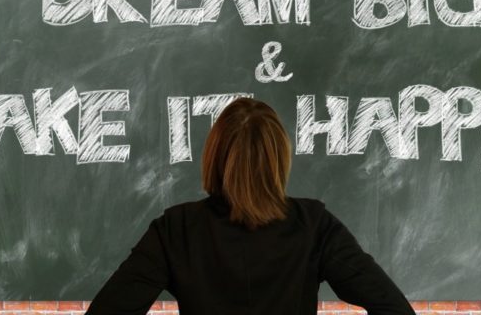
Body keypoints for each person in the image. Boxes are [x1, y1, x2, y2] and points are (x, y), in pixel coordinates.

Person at [85, 97, 416, 315]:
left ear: (214, 156)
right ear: (279, 160)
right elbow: (394, 309)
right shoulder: (314, 225)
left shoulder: (177, 229)